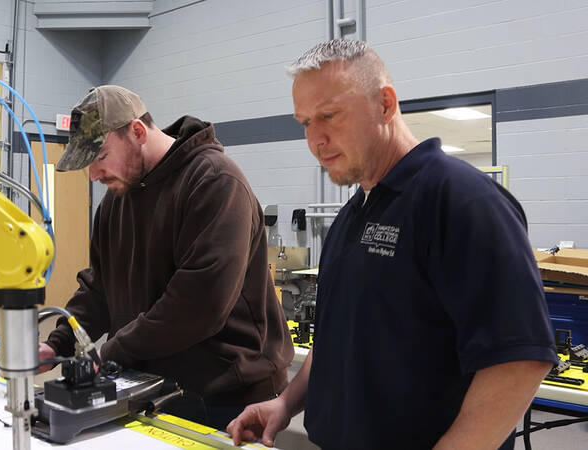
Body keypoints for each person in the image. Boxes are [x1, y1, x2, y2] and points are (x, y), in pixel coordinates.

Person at [227, 39, 558, 449]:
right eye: (305, 122)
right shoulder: (353, 215)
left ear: (385, 104)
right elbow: (336, 338)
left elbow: (520, 362)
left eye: (329, 115)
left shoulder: (462, 201)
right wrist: (285, 403)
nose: (316, 138)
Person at [39, 85, 294, 429]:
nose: (94, 176)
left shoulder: (214, 182)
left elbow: (198, 305)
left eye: (99, 157)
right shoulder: (116, 202)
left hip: (227, 397)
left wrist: (110, 352)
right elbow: (100, 288)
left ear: (138, 132)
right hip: (154, 389)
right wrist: (59, 344)